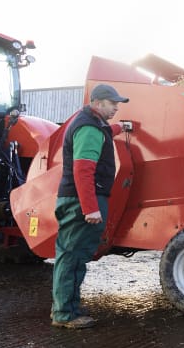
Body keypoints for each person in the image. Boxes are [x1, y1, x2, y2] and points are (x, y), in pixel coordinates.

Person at [51, 83, 129, 329]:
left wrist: (120, 128)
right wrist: (89, 208)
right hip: (80, 202)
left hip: (79, 200)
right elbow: (83, 169)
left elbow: (103, 133)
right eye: (112, 103)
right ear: (97, 103)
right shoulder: (88, 127)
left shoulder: (93, 124)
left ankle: (68, 308)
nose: (116, 107)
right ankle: (64, 314)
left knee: (74, 255)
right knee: (72, 256)